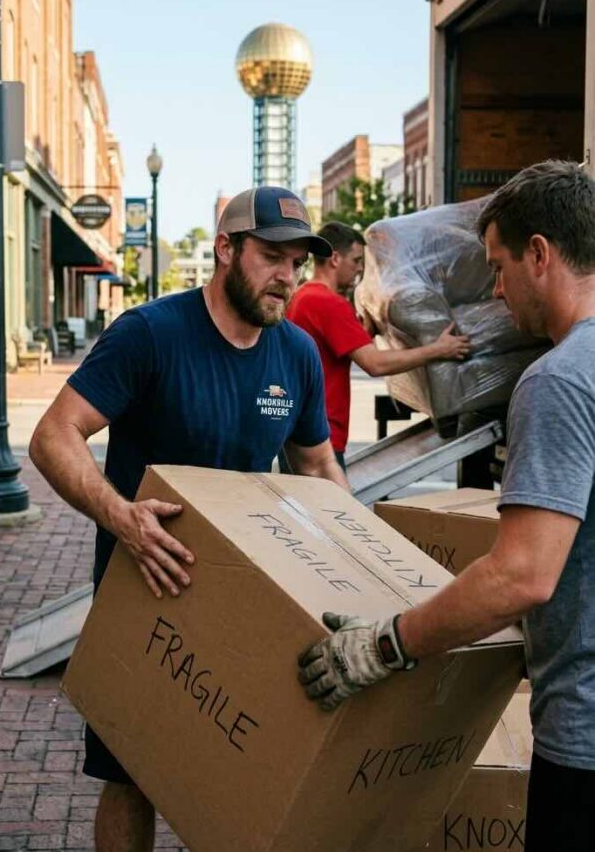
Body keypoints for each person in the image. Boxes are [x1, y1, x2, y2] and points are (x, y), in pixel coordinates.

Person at [29, 185, 349, 852]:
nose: (286, 276)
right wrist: (121, 518)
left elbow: (318, 469)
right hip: (144, 589)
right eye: (270, 256)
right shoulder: (150, 334)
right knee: (130, 774)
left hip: (249, 600)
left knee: (249, 772)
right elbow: (55, 435)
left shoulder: (294, 354)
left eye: (297, 261)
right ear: (225, 249)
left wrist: (355, 573)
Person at [297, 161, 595, 852]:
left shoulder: (557, 382)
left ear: (541, 256)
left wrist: (385, 643)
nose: (495, 289)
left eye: (498, 266)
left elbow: (522, 576)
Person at [285, 220, 470, 467]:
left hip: (297, 433)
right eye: (356, 260)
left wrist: (365, 333)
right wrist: (438, 349)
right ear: (335, 258)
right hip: (320, 437)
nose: (360, 269)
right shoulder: (328, 303)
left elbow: (328, 352)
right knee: (329, 505)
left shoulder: (302, 297)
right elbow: (374, 364)